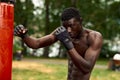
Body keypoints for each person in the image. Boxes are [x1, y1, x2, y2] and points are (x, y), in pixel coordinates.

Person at [14, 7, 103, 80]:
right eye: (65, 26)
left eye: (71, 26)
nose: (68, 30)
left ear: (80, 21)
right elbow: (37, 43)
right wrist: (24, 35)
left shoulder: (93, 37)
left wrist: (68, 44)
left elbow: (86, 68)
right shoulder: (63, 32)